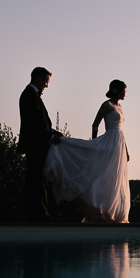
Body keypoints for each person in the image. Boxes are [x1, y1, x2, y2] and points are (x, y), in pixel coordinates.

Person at [44, 80, 131, 223]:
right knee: (104, 173)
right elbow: (95, 123)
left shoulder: (120, 107)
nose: (125, 93)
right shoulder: (107, 105)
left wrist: (126, 149)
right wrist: (94, 142)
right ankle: (98, 204)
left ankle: (113, 211)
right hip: (109, 140)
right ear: (116, 90)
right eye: (123, 90)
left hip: (119, 143)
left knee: (115, 175)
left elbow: (121, 130)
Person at [18, 67, 63, 222]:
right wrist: (50, 135)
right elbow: (35, 122)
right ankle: (39, 214)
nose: (46, 85)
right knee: (37, 179)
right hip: (35, 145)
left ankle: (36, 213)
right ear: (37, 78)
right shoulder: (29, 96)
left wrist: (52, 131)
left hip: (36, 144)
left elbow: (39, 121)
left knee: (38, 178)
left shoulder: (31, 95)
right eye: (45, 81)